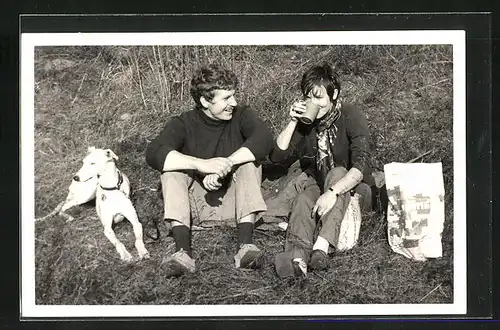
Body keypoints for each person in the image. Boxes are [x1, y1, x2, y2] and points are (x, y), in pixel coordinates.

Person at [146, 64, 273, 276]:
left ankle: (246, 247)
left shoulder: (243, 115)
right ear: (205, 101)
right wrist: (200, 164)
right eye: (226, 98)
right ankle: (183, 253)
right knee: (172, 171)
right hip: (196, 209)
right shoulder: (184, 123)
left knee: (249, 162)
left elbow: (264, 140)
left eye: (234, 96)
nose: (234, 103)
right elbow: (153, 153)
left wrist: (226, 164)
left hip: (236, 208)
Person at [270, 63, 375, 278]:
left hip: (356, 189)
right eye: (309, 98)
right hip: (321, 187)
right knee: (303, 198)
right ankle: (297, 257)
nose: (314, 104)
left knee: (337, 172)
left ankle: (321, 247)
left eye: (319, 98)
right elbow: (278, 157)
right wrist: (292, 122)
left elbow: (360, 166)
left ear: (334, 94)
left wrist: (332, 192)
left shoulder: (350, 115)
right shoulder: (307, 123)